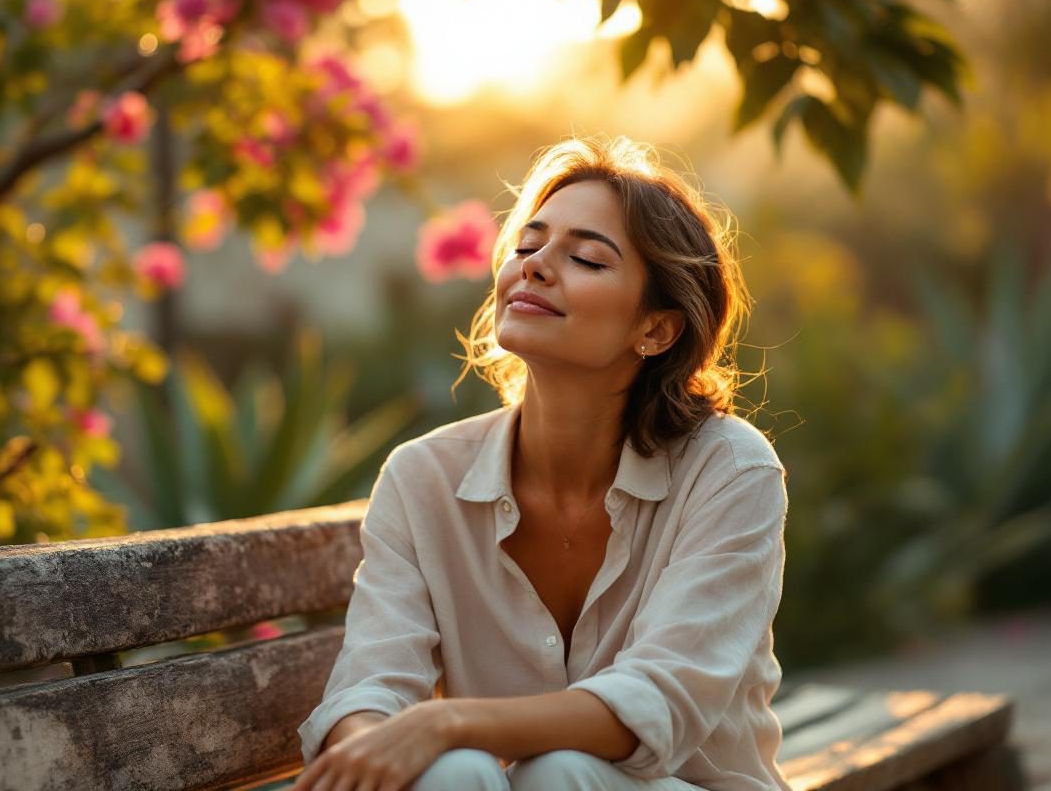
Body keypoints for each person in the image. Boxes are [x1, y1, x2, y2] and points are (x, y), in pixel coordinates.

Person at [294, 135, 793, 791]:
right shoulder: (423, 479)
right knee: (456, 774)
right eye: (526, 246)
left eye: (586, 258)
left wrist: (447, 723)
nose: (533, 266)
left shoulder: (731, 473)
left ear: (656, 329)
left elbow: (657, 703)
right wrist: (375, 746)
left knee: (553, 774)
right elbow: (369, 687)